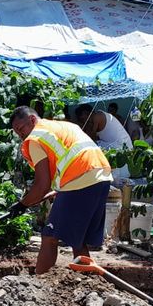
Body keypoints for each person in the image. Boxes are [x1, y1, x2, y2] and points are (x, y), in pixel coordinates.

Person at [9, 106, 113, 274]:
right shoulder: (64, 126)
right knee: (78, 240)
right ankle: (87, 282)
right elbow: (69, 160)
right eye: (17, 132)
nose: (21, 135)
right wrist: (61, 190)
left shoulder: (35, 139)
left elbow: (41, 185)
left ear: (32, 120)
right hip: (101, 176)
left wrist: (22, 205)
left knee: (49, 237)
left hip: (80, 180)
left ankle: (38, 287)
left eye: (21, 129)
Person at [75, 103, 133, 181]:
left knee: (92, 147)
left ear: (87, 113)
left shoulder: (97, 117)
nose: (83, 121)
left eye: (82, 118)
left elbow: (90, 138)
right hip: (115, 146)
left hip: (120, 147)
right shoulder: (95, 118)